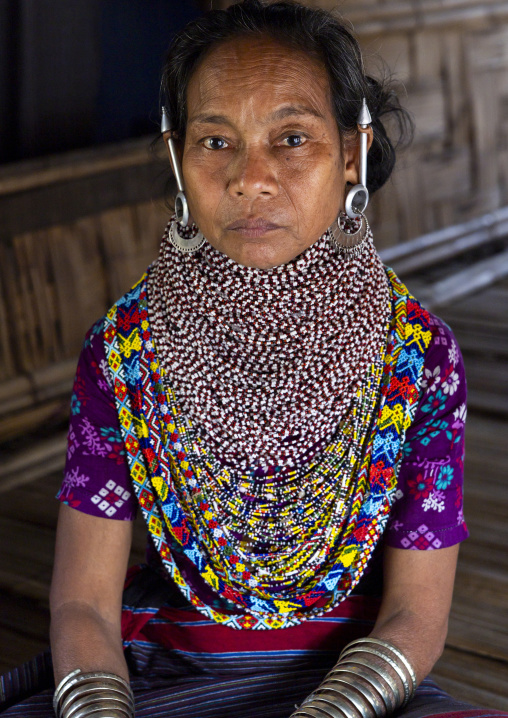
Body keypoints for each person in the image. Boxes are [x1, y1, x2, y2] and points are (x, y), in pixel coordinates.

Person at [1, 1, 505, 717]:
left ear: (353, 151)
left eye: (291, 137)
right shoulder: (124, 354)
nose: (250, 178)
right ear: (179, 155)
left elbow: (415, 615)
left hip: (356, 688)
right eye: (216, 142)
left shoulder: (419, 359)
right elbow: (83, 603)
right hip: (159, 673)